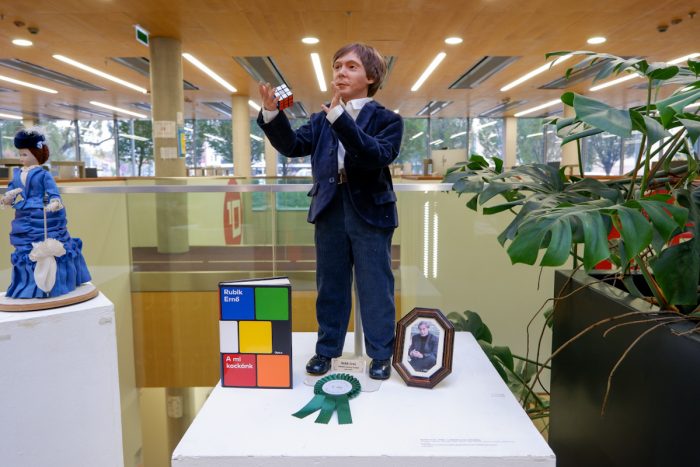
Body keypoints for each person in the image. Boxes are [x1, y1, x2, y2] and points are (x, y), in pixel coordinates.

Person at [257, 43, 403, 380]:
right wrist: (271, 114)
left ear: (371, 77)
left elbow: (375, 155)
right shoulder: (320, 119)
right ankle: (327, 349)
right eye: (337, 66)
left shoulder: (388, 120)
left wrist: (339, 119)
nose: (341, 72)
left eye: (351, 66)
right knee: (330, 284)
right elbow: (293, 145)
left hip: (370, 210)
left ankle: (381, 353)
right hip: (329, 206)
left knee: (375, 285)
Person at [0, 128, 91, 298]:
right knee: (26, 249)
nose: (21, 158)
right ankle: (28, 286)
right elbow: (12, 192)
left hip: (43, 215)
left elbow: (53, 193)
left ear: (36, 154)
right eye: (20, 154)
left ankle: (55, 284)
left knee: (49, 246)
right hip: (24, 215)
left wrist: (55, 202)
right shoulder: (17, 174)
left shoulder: (43, 174)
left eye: (25, 154)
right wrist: (8, 198)